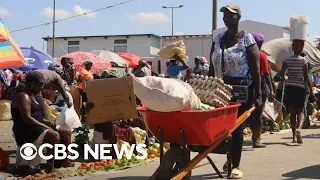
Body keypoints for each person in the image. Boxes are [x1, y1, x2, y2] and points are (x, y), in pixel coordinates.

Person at [209, 4, 262, 179]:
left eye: (229, 15)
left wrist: (259, 95)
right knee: (224, 127)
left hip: (240, 89)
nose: (225, 18)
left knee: (237, 127)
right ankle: (230, 158)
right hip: (219, 89)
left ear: (238, 17)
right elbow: (211, 65)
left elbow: (256, 70)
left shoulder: (247, 39)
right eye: (224, 15)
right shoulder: (217, 39)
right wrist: (208, 86)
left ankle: (235, 166)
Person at [11, 71, 74, 169]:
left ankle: (65, 161)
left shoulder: (35, 95)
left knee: (66, 132)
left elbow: (39, 114)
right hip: (26, 129)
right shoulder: (23, 96)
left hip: (36, 127)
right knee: (54, 135)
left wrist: (47, 123)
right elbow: (27, 119)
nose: (42, 87)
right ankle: (51, 167)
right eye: (40, 85)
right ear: (32, 84)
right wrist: (45, 126)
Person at [280, 39, 315, 144]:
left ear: (293, 47)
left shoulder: (287, 60)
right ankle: (299, 129)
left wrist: (285, 77)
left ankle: (294, 136)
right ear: (302, 47)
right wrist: (311, 91)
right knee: (300, 112)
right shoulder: (304, 60)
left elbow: (282, 74)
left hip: (290, 88)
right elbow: (306, 77)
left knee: (292, 112)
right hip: (300, 88)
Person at [247, 32, 275, 148]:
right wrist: (271, 90)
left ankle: (253, 136)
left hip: (247, 86)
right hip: (259, 86)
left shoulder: (245, 53)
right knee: (258, 113)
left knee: (250, 112)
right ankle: (256, 139)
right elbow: (266, 74)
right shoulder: (261, 55)